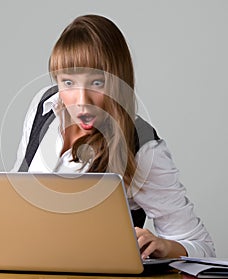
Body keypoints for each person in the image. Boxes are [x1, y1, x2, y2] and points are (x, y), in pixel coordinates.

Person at [12, 14, 215, 259]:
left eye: (97, 83)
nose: (81, 102)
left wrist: (165, 246)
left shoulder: (142, 147)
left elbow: (201, 247)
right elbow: (15, 193)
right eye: (68, 83)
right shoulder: (43, 106)